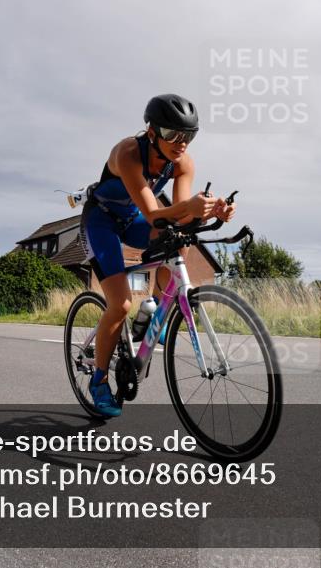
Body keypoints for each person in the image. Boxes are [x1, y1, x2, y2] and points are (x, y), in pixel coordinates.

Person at [80, 94, 235, 418]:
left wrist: (210, 211)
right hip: (102, 219)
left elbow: (179, 217)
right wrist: (190, 208)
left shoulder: (183, 163)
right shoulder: (128, 153)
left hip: (133, 218)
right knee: (120, 303)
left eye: (189, 136)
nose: (181, 143)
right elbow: (154, 212)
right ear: (152, 133)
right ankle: (99, 379)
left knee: (176, 240)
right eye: (172, 134)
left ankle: (153, 310)